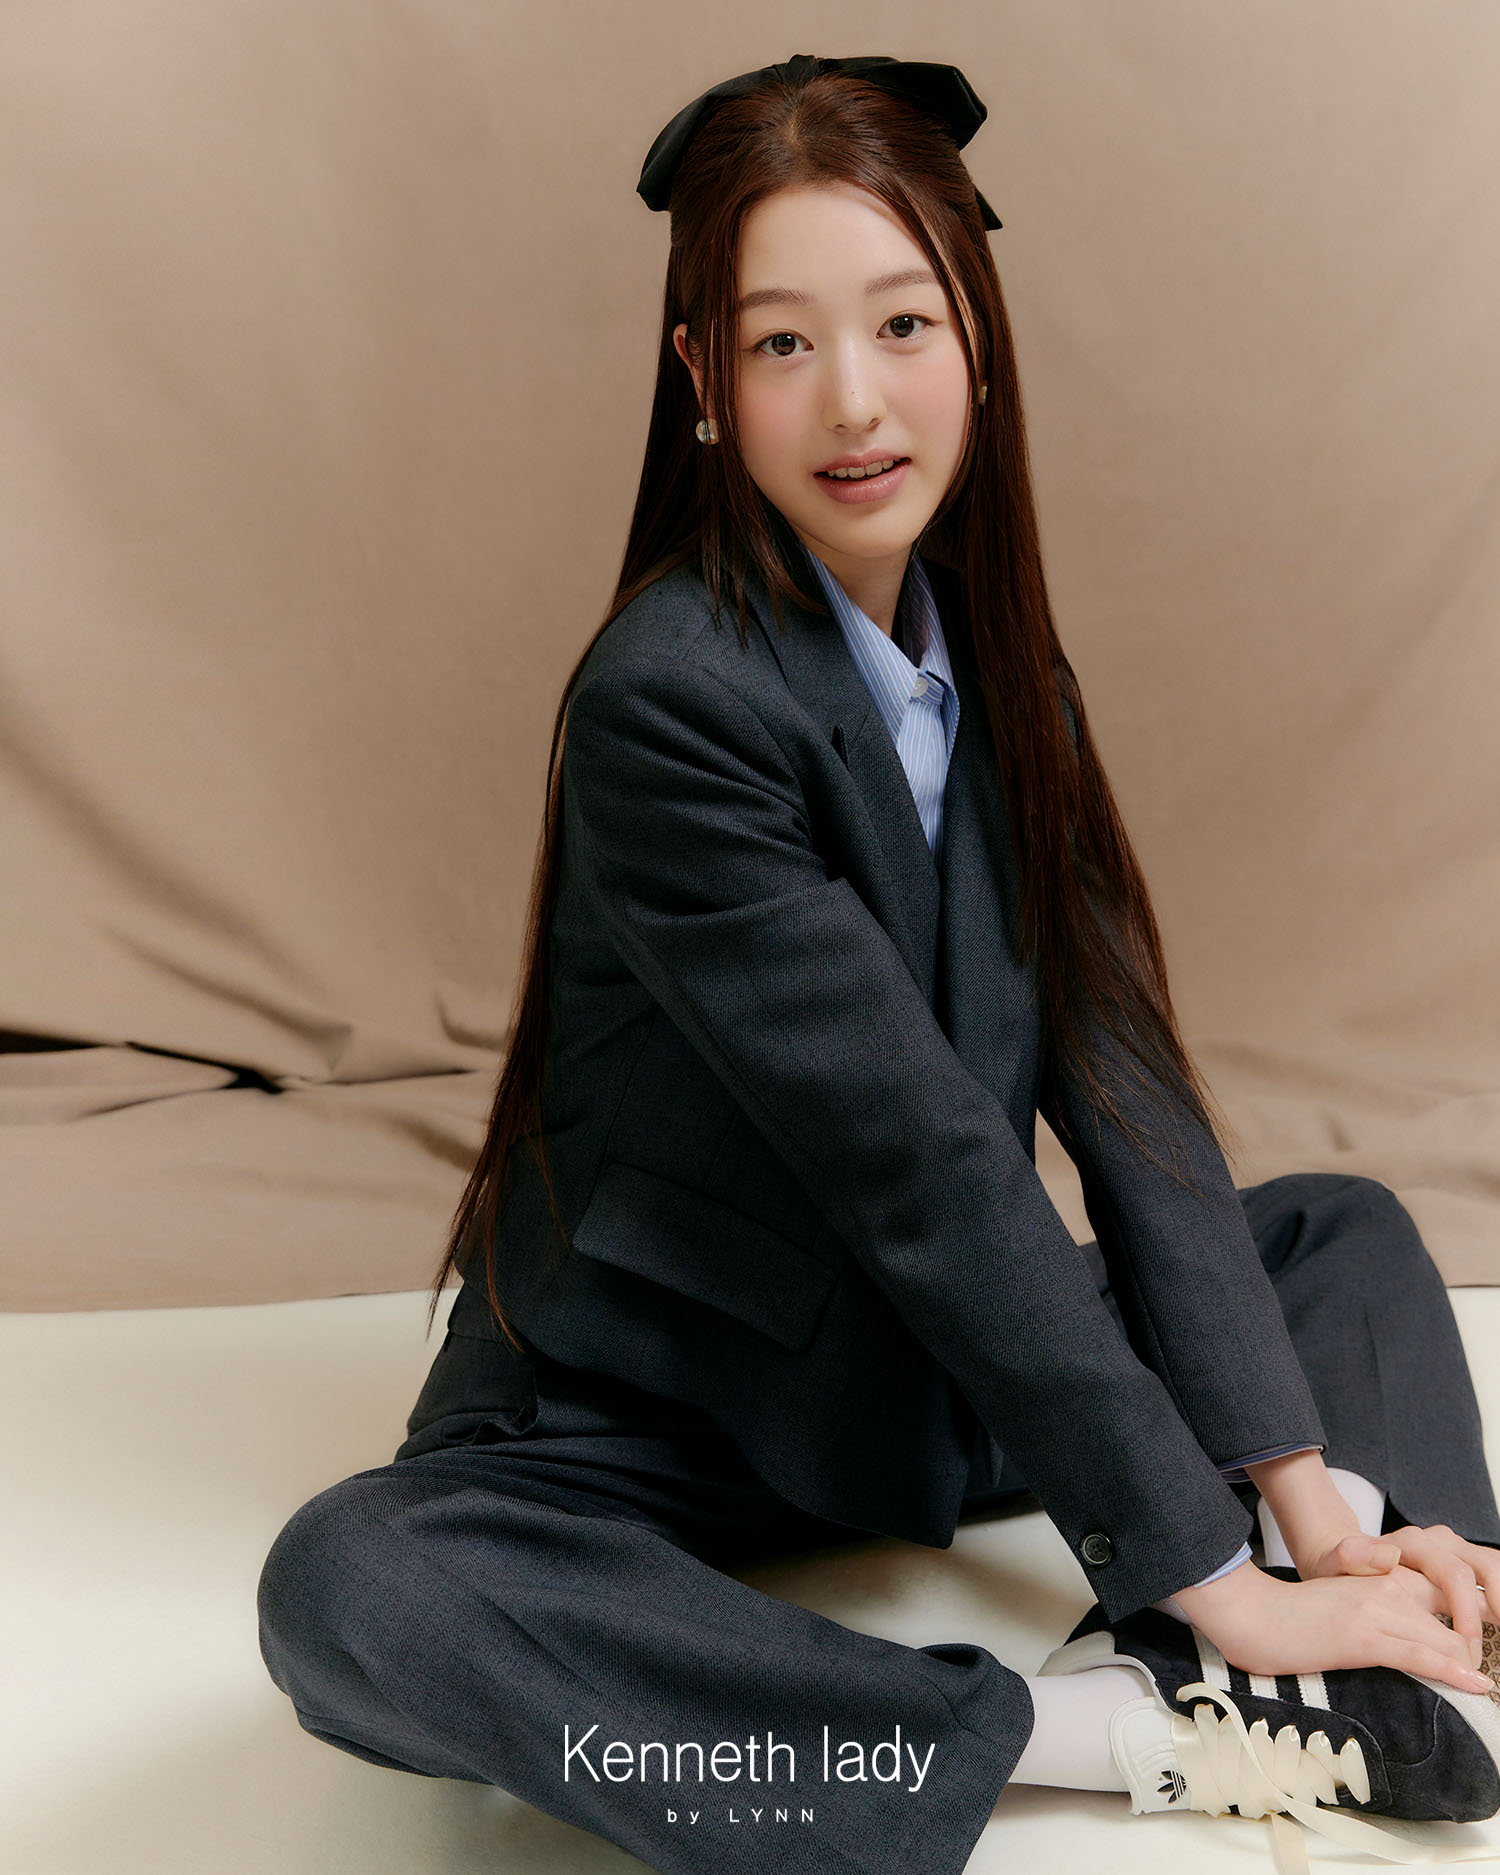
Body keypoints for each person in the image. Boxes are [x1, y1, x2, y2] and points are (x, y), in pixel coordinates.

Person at [257, 53, 1500, 1875]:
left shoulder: (1003, 665)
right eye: (782, 343)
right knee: (354, 1587)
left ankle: (1393, 1606)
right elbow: (922, 1165)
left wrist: (1307, 1510)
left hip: (927, 1369)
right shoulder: (666, 700)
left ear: (977, 340)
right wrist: (1210, 1577)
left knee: (1342, 1239)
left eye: (904, 323)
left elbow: (1124, 1081)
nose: (855, 397)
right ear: (704, 381)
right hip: (659, 1408)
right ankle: (1105, 1723)